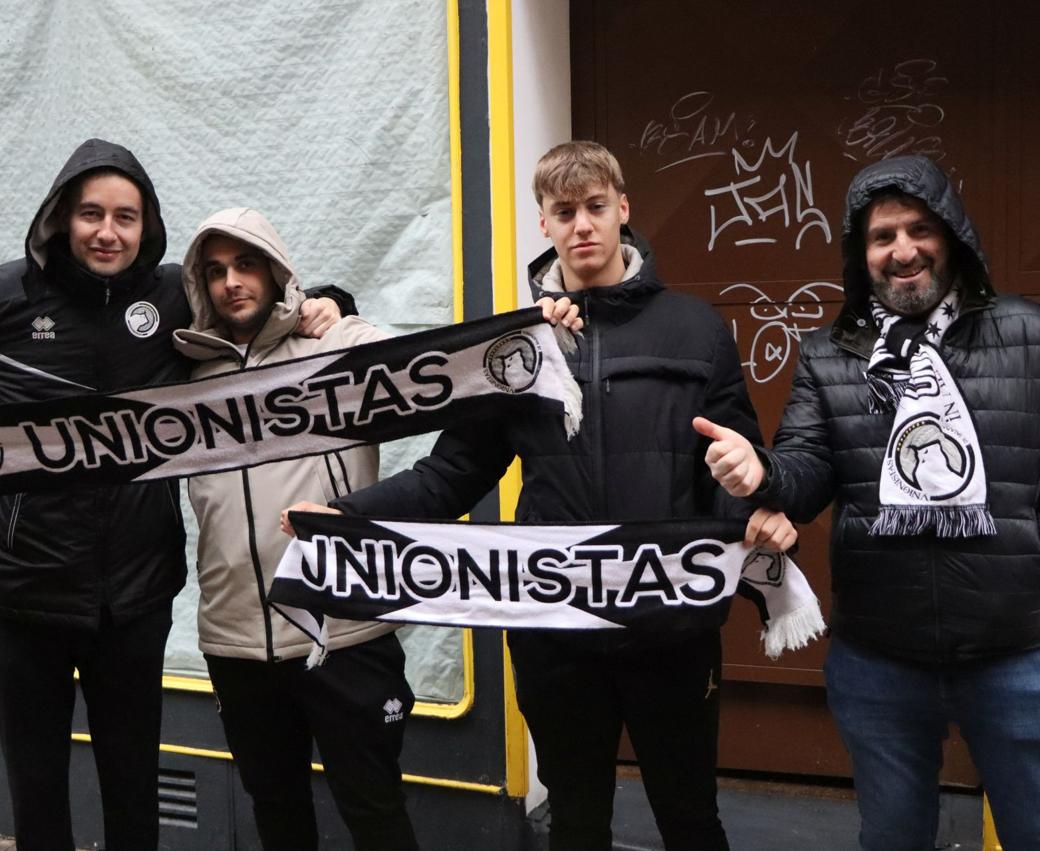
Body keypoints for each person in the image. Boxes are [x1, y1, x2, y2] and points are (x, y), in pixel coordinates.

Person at [284, 140, 795, 851]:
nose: (582, 224)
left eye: (594, 207)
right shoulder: (513, 349)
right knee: (576, 817)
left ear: (622, 209)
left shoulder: (695, 328)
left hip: (671, 631)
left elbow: (738, 468)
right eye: (564, 211)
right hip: (557, 634)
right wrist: (345, 518)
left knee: (690, 814)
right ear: (545, 225)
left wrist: (759, 507)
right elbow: (451, 475)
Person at [0, 139, 348, 850]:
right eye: (91, 213)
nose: (108, 232)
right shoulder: (0, 295)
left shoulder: (174, 294)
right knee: (39, 798)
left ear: (147, 227)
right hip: (18, 599)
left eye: (126, 216)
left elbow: (260, 306)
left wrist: (332, 303)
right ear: (61, 217)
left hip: (134, 601)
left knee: (132, 795)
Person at [694, 154, 1040, 850]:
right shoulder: (830, 354)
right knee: (891, 837)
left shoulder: (1028, 335)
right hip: (880, 661)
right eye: (883, 236)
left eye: (919, 229)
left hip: (1017, 657)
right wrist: (757, 470)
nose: (903, 250)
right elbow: (807, 469)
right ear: (863, 253)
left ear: (952, 235)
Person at [171, 207, 419, 851]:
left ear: (277, 272)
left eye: (246, 264)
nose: (232, 282)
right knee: (276, 810)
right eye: (216, 271)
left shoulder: (336, 347)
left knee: (375, 807)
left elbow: (433, 371)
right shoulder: (186, 383)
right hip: (237, 643)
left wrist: (339, 310)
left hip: (347, 632)